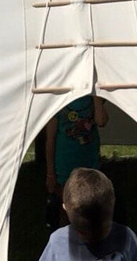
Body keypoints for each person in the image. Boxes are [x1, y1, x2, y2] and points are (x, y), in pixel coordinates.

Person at [46, 95, 109, 229]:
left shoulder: (91, 99)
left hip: (89, 162)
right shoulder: (58, 98)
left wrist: (96, 97)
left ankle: (89, 242)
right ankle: (66, 242)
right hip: (65, 163)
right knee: (67, 209)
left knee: (91, 206)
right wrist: (50, 173)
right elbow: (50, 140)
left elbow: (101, 121)